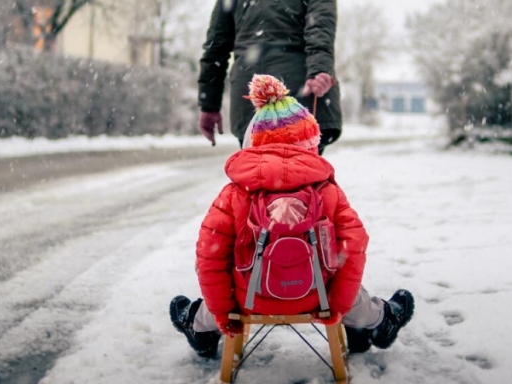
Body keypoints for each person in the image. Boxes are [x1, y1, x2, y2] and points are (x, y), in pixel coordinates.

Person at [170, 75, 413, 358]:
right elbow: (353, 246)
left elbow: (209, 256)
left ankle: (198, 327)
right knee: (351, 292)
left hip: (249, 300)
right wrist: (337, 305)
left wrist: (224, 313)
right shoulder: (328, 192)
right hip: (316, 298)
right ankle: (381, 320)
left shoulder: (234, 194)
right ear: (311, 143)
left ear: (254, 142)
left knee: (222, 290)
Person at [196, 0, 342, 154]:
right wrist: (319, 69)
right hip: (300, 94)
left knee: (259, 173)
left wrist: (209, 104)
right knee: (303, 172)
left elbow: (216, 47)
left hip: (251, 99)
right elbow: (320, 26)